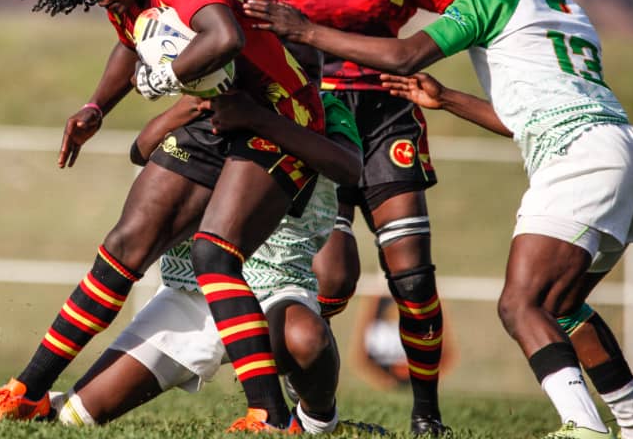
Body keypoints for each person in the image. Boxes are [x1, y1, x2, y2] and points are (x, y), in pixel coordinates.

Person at [244, 0, 633, 439]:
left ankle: (583, 428)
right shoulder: (569, 8)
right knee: (563, 304)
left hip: (580, 157)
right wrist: (447, 100)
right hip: (627, 150)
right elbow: (530, 116)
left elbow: (401, 51)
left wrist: (305, 29)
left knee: (521, 306)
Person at [0, 0, 326, 432]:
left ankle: (270, 416)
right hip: (216, 112)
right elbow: (132, 42)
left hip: (275, 118)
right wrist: (96, 107)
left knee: (214, 253)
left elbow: (224, 36)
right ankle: (27, 391)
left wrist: (167, 76)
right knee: (125, 244)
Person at [208, 0, 463, 436]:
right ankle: (308, 409)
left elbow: (462, 13)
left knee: (411, 273)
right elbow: (254, 26)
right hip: (312, 116)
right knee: (335, 275)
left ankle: (427, 416)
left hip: (384, 114)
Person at [46, 89, 388, 436]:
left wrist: (259, 119)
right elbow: (142, 149)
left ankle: (321, 424)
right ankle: (23, 398)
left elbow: (348, 167)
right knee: (74, 417)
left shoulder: (321, 105)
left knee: (306, 338)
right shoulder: (218, 92)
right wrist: (187, 107)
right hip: (194, 292)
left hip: (273, 285)